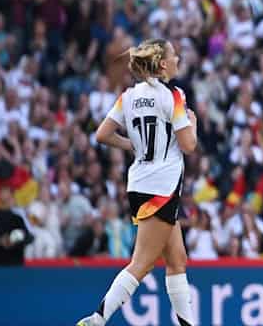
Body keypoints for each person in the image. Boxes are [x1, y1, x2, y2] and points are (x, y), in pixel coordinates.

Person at [77, 39, 198, 326]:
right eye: (174, 55)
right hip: (162, 187)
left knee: (177, 259)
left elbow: (102, 135)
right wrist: (192, 122)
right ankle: (97, 318)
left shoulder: (129, 96)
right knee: (141, 264)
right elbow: (189, 145)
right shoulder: (174, 95)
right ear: (163, 64)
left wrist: (133, 145)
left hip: (140, 182)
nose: (178, 58)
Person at [0, 185, 34, 266]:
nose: (4, 195)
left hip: (15, 264)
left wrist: (14, 240)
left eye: (7, 192)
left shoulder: (17, 219)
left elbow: (28, 237)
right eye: (2, 192)